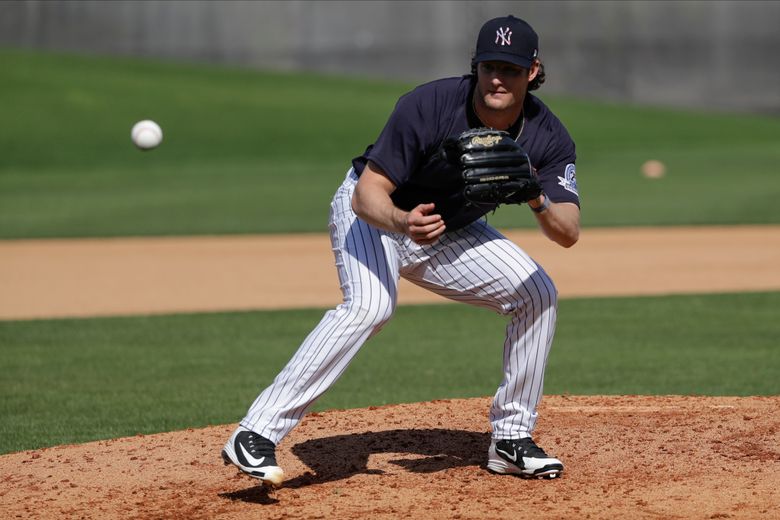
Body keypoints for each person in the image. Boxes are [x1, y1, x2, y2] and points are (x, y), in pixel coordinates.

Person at [222, 14, 580, 485]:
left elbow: (568, 231)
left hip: (446, 229)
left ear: (532, 72)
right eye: (489, 66)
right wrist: (401, 221)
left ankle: (511, 439)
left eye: (510, 69)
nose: (497, 78)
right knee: (370, 306)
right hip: (379, 215)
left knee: (538, 293)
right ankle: (256, 433)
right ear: (475, 66)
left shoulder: (547, 135)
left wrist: (535, 195)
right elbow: (366, 193)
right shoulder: (429, 104)